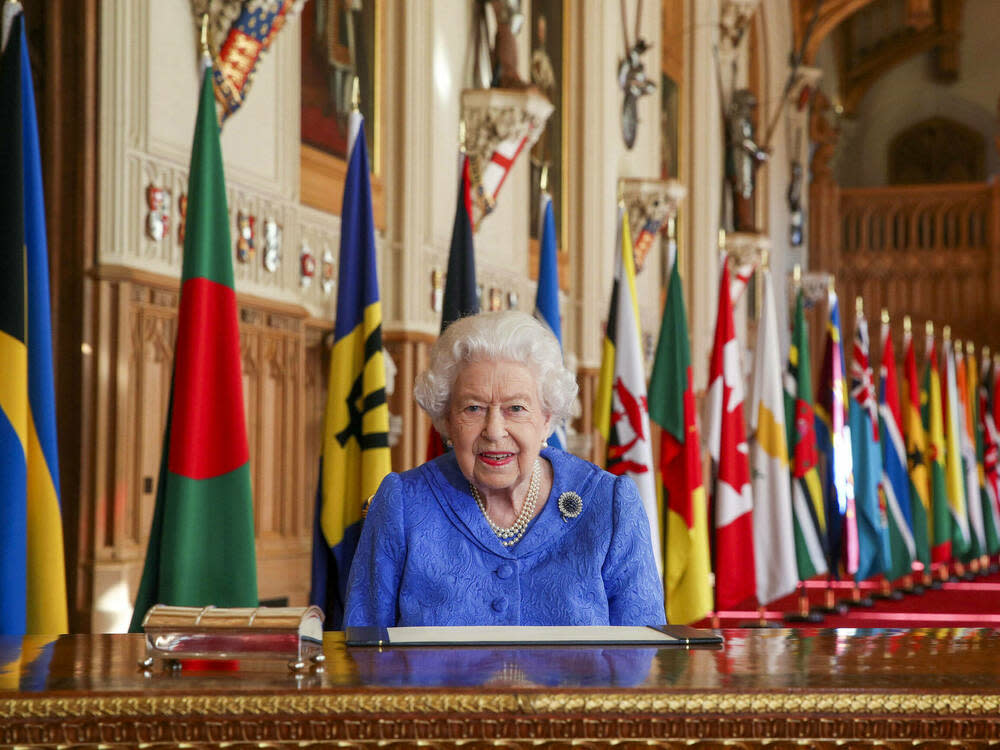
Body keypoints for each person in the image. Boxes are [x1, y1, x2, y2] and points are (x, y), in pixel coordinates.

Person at [343, 310, 664, 627]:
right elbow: (364, 652)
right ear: (446, 420)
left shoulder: (608, 505)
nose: (494, 430)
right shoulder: (403, 504)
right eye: (474, 408)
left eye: (516, 408)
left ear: (547, 418)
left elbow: (643, 658)